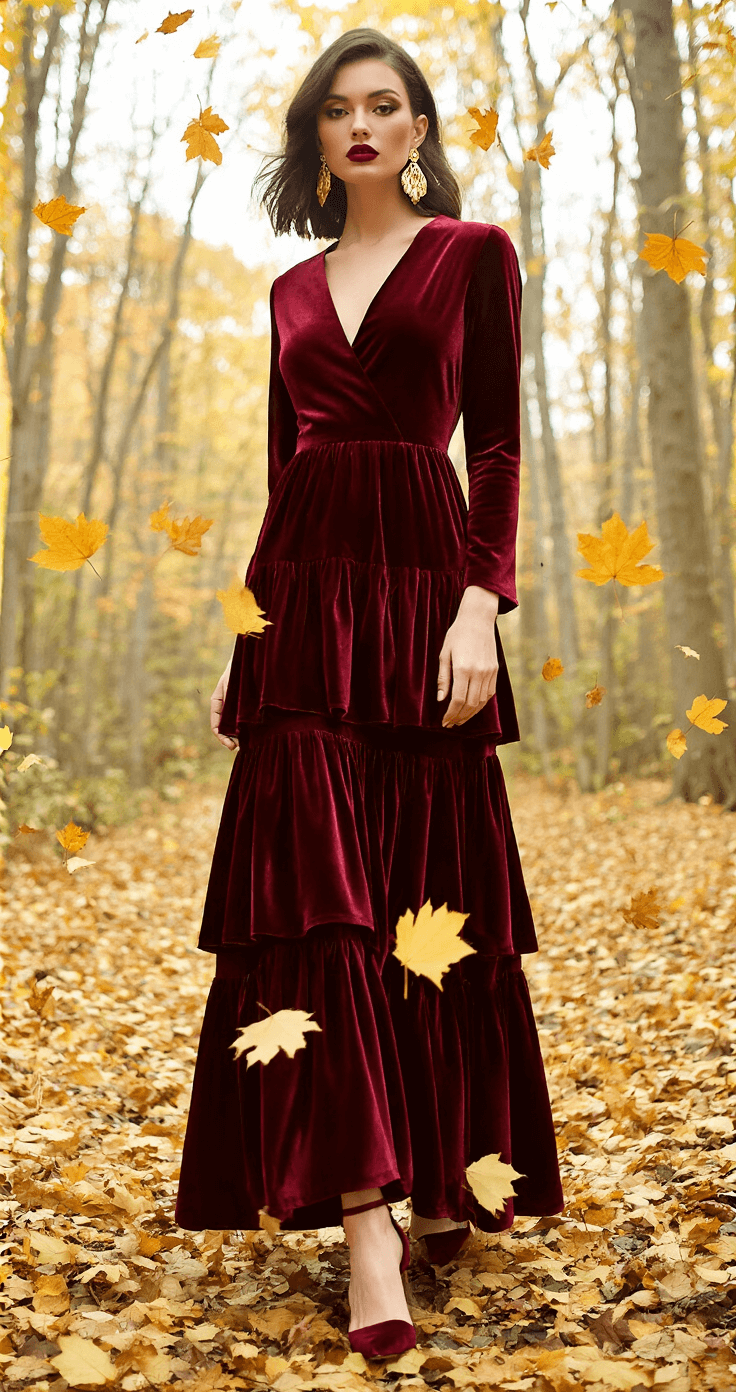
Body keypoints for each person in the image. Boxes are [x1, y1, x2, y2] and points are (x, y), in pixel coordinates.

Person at [175, 26, 564, 1360]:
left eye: (382, 105)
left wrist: (479, 605)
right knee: (325, 913)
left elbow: (499, 445)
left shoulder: (474, 257)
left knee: (424, 902)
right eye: (336, 108)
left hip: (423, 594)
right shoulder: (285, 291)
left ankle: (443, 1166)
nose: (359, 124)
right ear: (316, 136)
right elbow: (286, 471)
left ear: (415, 128)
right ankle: (369, 1242)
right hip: (303, 606)